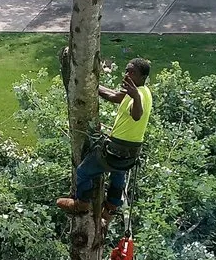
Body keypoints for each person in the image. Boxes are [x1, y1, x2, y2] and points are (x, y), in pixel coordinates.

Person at [56, 57, 152, 217]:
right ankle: (112, 205)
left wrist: (135, 96)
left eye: (132, 72)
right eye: (127, 70)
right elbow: (114, 96)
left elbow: (137, 115)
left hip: (117, 149)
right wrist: (91, 85)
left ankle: (81, 203)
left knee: (83, 172)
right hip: (132, 152)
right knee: (118, 171)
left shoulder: (139, 95)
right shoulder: (142, 91)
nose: (127, 74)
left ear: (142, 77)